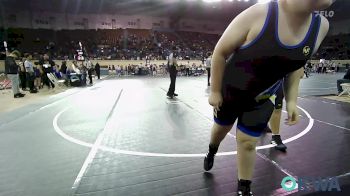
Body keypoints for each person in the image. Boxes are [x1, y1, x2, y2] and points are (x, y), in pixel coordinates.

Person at [203, 0, 332, 195]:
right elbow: (220, 52)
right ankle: (212, 149)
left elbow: (297, 65)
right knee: (221, 129)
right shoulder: (260, 13)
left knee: (248, 142)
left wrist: (291, 100)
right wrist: (215, 91)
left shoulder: (321, 26)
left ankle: (244, 188)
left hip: (263, 95)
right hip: (232, 92)